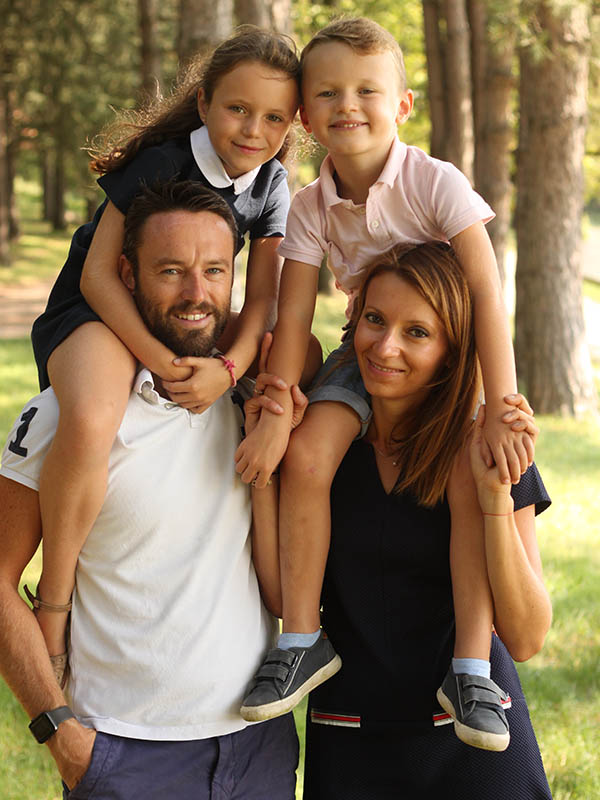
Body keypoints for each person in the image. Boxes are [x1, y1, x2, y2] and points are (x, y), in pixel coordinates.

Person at [237, 17, 535, 741]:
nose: (348, 105)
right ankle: (304, 639)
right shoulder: (310, 206)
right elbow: (296, 314)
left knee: (469, 475)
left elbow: (486, 293)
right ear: (305, 115)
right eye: (329, 92)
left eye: (368, 89)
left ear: (402, 105)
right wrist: (277, 405)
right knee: (307, 454)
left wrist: (500, 404)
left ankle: (469, 668)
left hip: (447, 363)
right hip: (361, 355)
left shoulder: (435, 182)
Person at [0, 181, 300, 799]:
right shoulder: (71, 412)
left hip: (256, 747)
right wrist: (61, 732)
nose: (197, 293)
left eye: (215, 270)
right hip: (121, 753)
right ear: (126, 275)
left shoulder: (251, 395)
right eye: (172, 271)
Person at [27, 27, 301, 687]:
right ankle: (54, 601)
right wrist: (162, 363)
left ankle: (293, 605)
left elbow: (262, 300)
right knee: (92, 416)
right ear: (204, 102)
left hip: (192, 317)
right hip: (99, 312)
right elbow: (97, 277)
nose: (253, 129)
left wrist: (229, 369)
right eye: (238, 109)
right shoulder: (161, 159)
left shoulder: (270, 186)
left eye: (273, 117)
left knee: (304, 353)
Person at [257, 242, 552, 797]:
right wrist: (264, 465)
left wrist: (493, 502)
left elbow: (527, 635)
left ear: (451, 349)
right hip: (352, 745)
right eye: (374, 319)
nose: (384, 346)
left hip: (475, 749)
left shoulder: (484, 446)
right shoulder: (319, 453)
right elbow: (281, 597)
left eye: (417, 332)